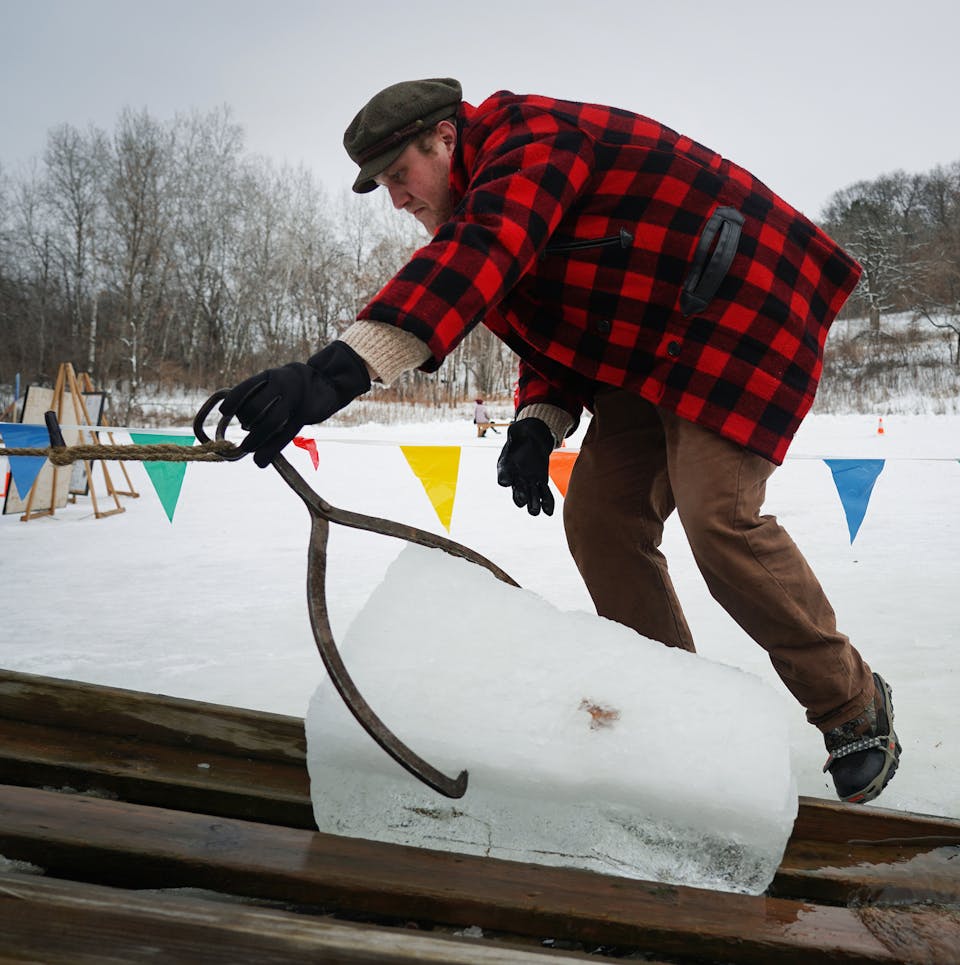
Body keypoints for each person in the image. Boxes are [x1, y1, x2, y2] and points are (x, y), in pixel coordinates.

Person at [216, 78, 899, 804]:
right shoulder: (489, 192)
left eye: (400, 177)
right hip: (652, 348)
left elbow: (484, 252)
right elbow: (554, 310)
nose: (399, 199)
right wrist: (537, 423)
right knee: (601, 518)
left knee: (717, 515)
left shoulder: (532, 139)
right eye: (383, 186)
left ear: (445, 139)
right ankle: (677, 710)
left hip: (740, 309)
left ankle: (851, 703)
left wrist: (331, 373)